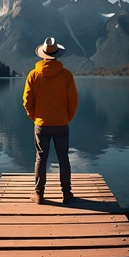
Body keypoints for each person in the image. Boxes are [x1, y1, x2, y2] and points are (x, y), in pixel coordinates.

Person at [22, 37, 78, 204]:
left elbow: (26, 101)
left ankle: (39, 194)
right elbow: (73, 101)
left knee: (40, 158)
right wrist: (67, 118)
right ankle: (67, 194)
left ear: (42, 55)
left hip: (41, 124)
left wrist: (35, 118)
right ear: (57, 55)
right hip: (62, 123)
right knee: (63, 159)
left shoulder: (33, 75)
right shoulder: (66, 75)